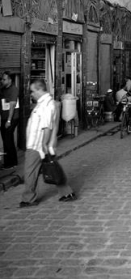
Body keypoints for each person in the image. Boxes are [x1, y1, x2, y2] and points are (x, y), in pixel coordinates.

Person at [20, 79, 75, 207]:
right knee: (52, 167)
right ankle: (67, 193)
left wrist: (44, 144)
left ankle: (28, 199)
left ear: (40, 89)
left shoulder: (46, 105)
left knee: (30, 172)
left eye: (33, 91)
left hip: (37, 145)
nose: (31, 94)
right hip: (40, 145)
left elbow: (47, 127)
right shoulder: (44, 103)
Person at [0, 71, 20, 170]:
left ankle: (11, 163)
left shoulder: (14, 89)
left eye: (4, 79)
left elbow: (12, 105)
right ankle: (10, 162)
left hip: (12, 118)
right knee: (5, 139)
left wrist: (8, 121)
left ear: (10, 80)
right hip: (4, 117)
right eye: (2, 79)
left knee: (8, 138)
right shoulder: (3, 89)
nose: (2, 81)